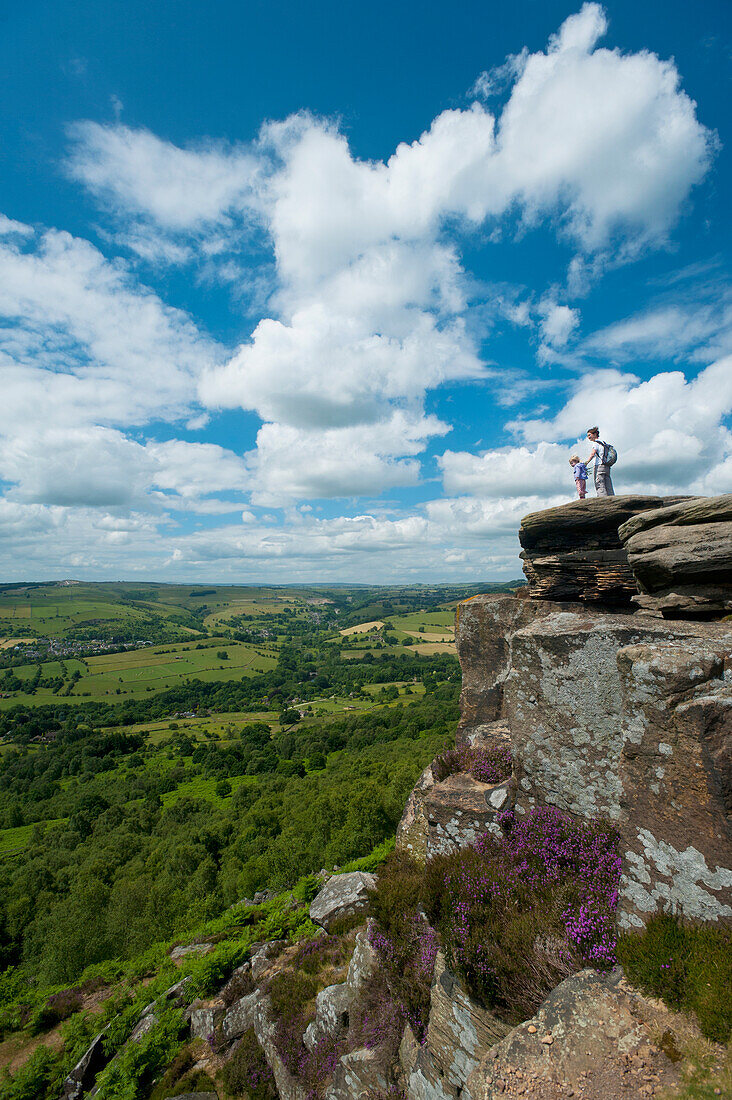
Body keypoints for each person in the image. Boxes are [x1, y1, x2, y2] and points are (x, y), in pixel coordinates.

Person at [586, 426, 615, 496]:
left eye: (589, 435)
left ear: (595, 434)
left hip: (599, 466)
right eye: (587, 436)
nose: (588, 437)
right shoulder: (604, 443)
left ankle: (603, 501)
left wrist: (586, 462)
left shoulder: (595, 443)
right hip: (607, 466)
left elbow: (593, 453)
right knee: (608, 483)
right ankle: (611, 498)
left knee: (599, 483)